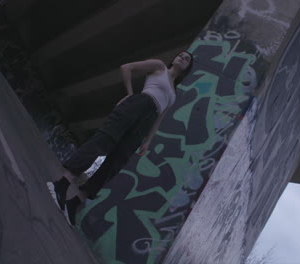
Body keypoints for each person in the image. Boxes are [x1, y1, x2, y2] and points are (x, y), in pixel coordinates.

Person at [51, 51, 193, 225]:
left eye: (187, 60)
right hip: (138, 104)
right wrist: (130, 94)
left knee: (116, 162)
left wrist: (148, 140)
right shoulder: (159, 66)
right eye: (181, 55)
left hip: (146, 123)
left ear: (187, 68)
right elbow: (127, 68)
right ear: (175, 58)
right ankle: (62, 183)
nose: (182, 59)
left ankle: (75, 201)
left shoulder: (173, 94)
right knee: (103, 141)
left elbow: (159, 119)